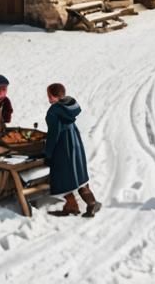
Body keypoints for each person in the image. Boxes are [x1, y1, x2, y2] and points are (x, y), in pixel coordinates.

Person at [45, 82, 100, 218]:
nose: (48, 98)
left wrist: (48, 153)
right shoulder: (68, 107)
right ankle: (91, 203)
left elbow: (53, 135)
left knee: (61, 177)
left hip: (62, 148)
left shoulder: (54, 111)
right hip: (75, 144)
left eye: (49, 95)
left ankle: (71, 206)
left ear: (52, 96)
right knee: (79, 176)